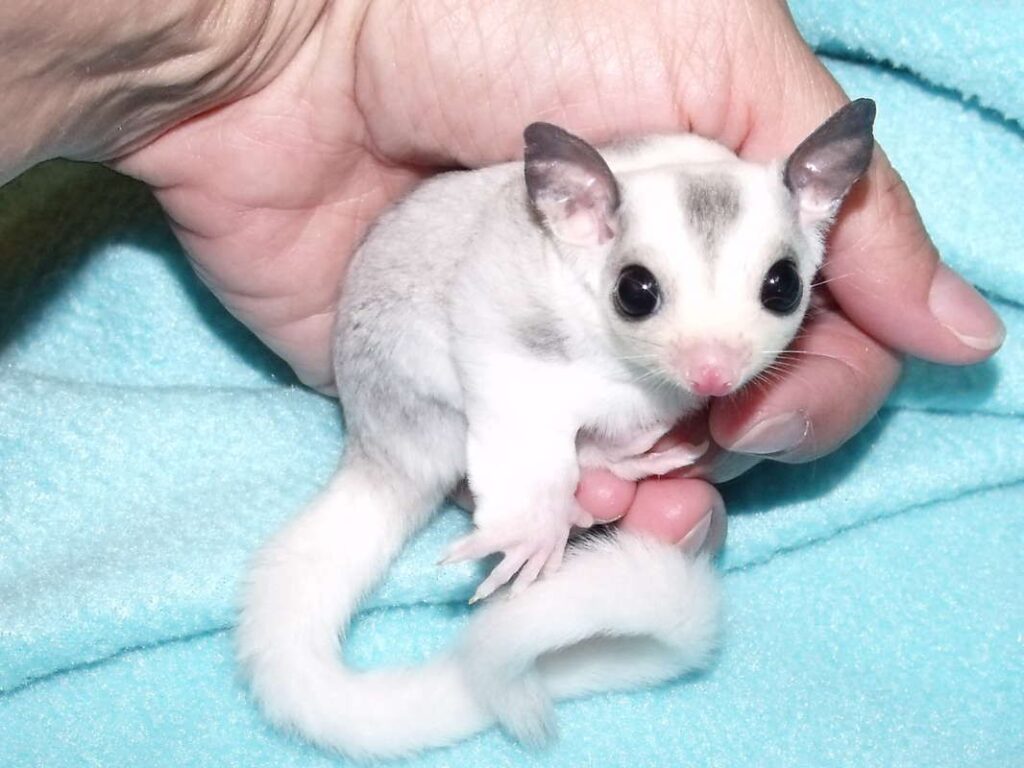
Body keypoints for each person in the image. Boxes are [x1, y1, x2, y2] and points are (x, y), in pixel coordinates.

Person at [1, 0, 1003, 551]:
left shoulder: (648, 227)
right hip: (413, 348)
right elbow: (496, 337)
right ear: (578, 213)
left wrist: (293, 31)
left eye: (776, 292)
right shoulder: (555, 237)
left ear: (820, 211)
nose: (716, 363)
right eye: (645, 292)